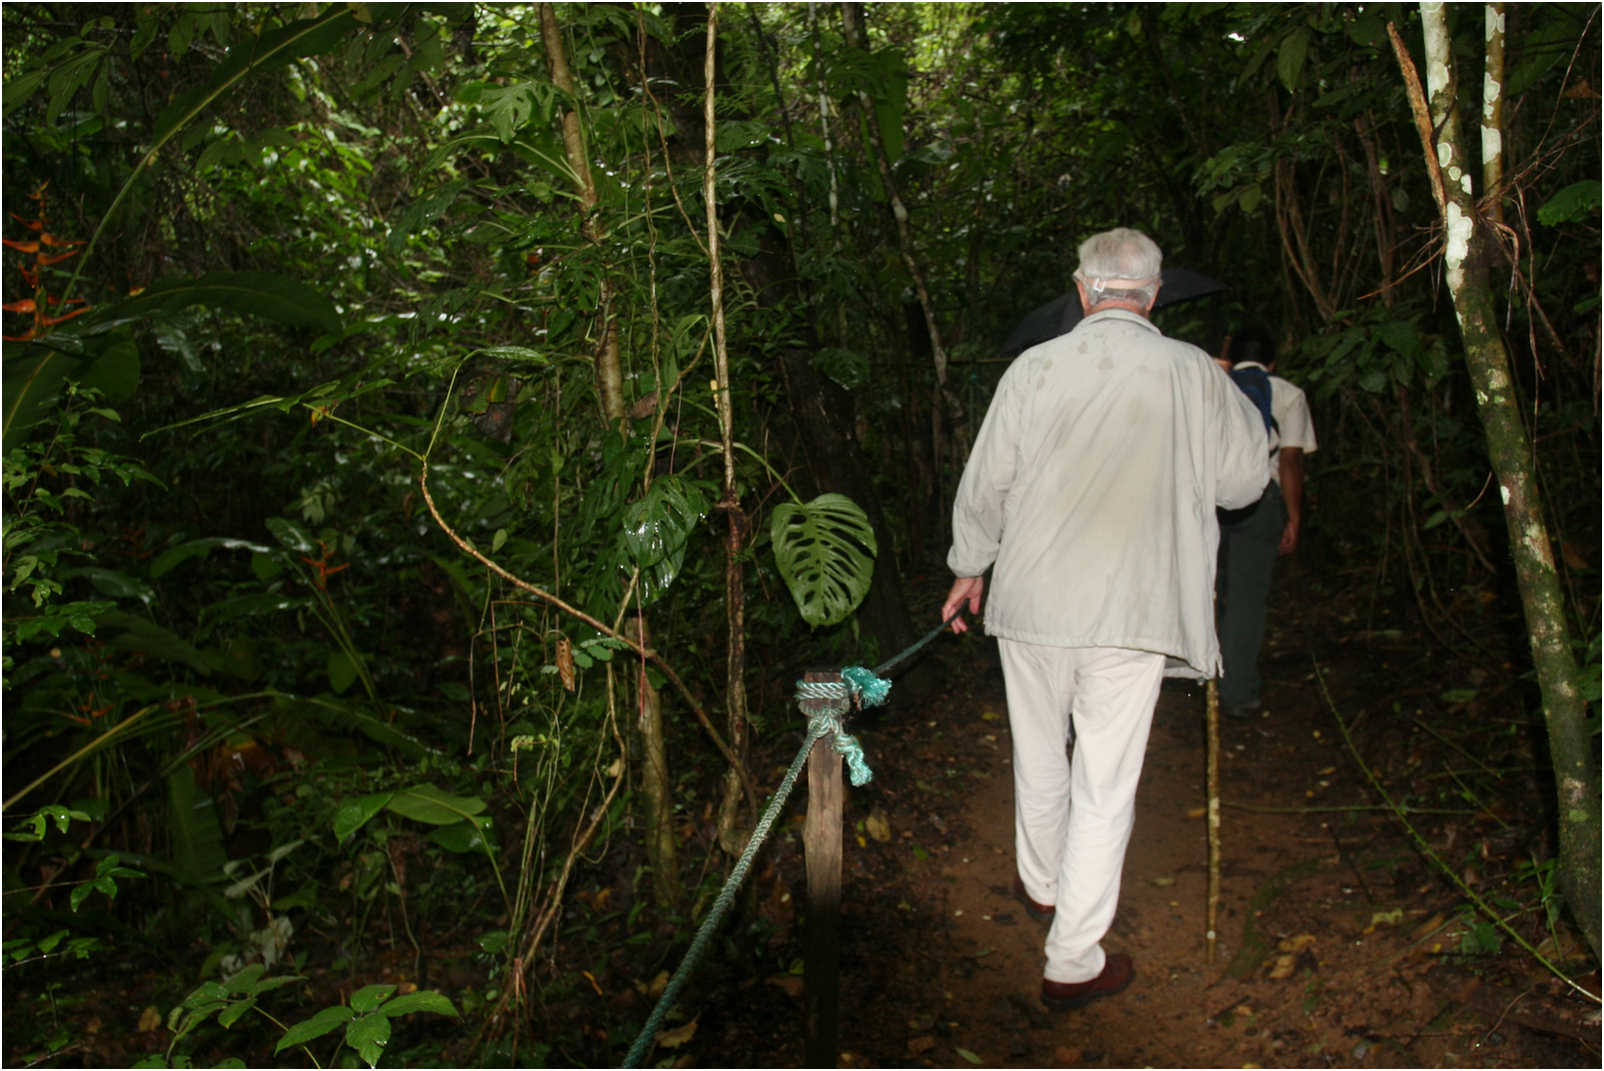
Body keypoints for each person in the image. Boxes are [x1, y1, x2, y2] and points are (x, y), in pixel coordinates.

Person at [942, 228, 1268, 1011]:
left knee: (1040, 750)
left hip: (1032, 601)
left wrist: (967, 567)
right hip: (1134, 607)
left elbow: (988, 481)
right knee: (1104, 782)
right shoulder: (1194, 371)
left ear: (1084, 291)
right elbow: (1244, 482)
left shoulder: (1034, 368)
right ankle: (1073, 958)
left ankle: (1044, 882)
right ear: (1153, 296)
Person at [1216, 327, 1319, 719]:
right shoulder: (1289, 394)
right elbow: (1290, 459)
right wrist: (1293, 516)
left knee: (1209, 588)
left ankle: (1202, 675)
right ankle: (1237, 691)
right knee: (1245, 598)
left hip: (1209, 499)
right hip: (1261, 501)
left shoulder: (1215, 386)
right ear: (1273, 363)